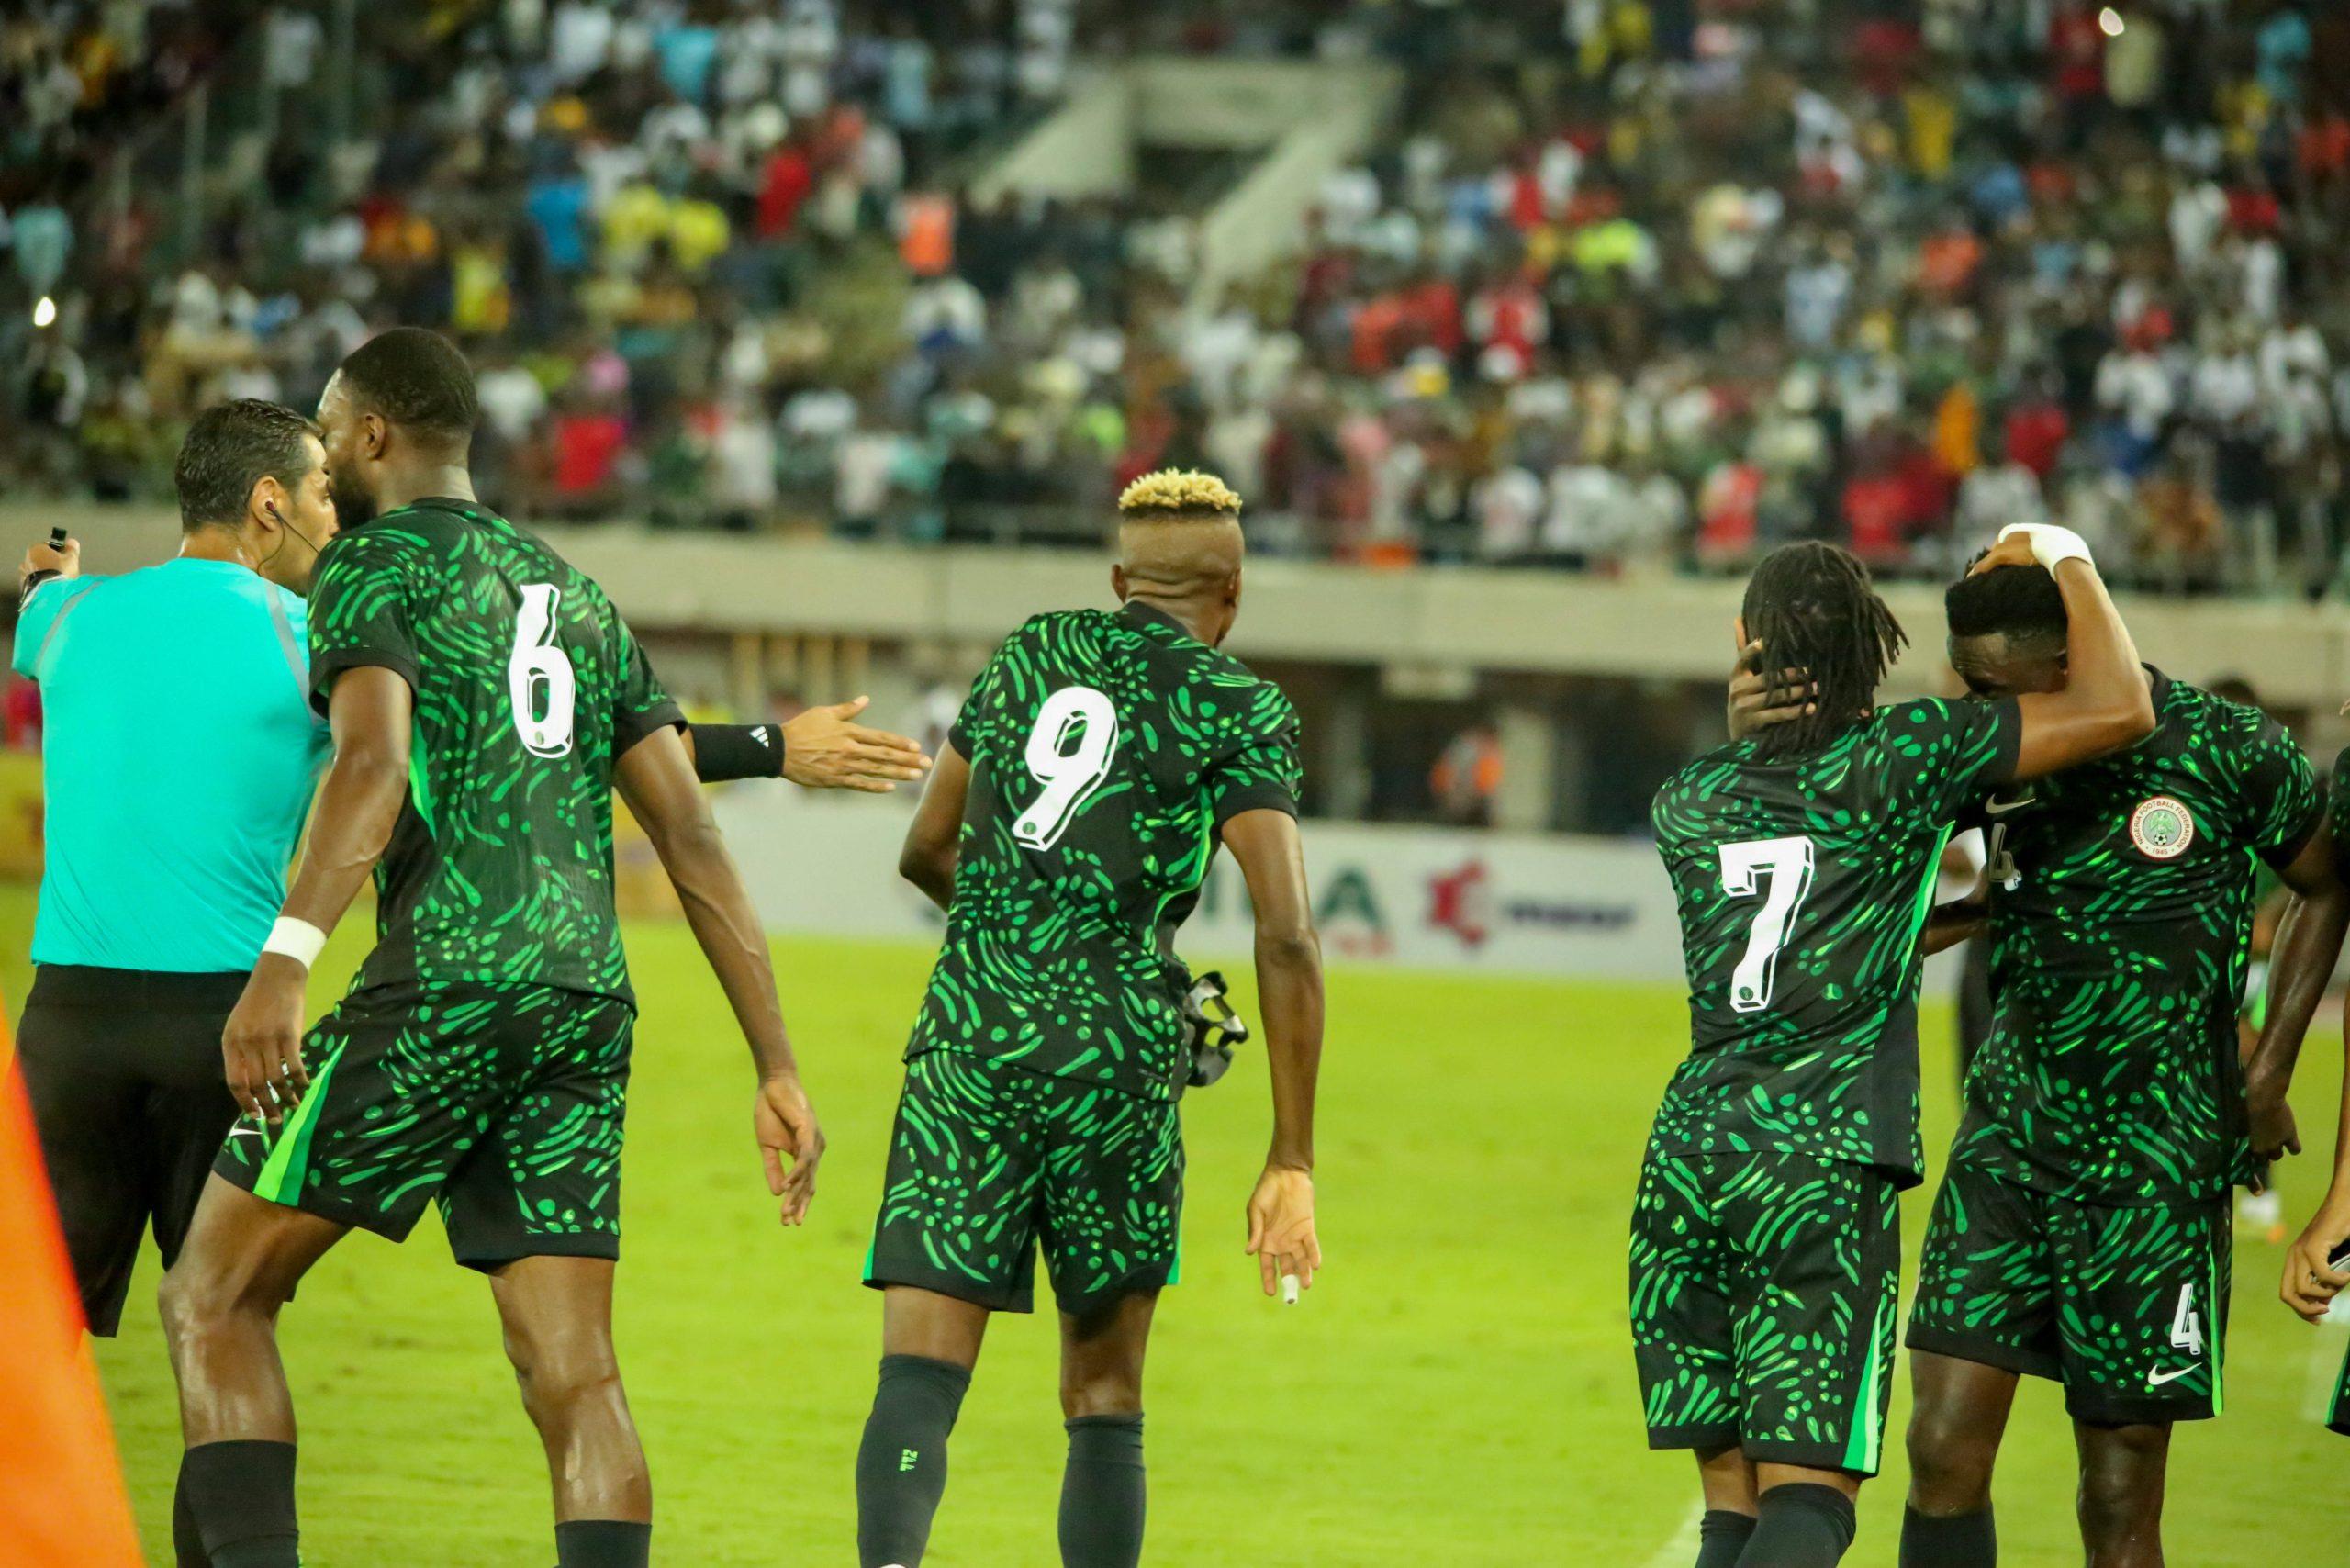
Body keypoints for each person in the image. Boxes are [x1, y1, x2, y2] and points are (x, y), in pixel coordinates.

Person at [151, 329, 837, 1568]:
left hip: (446, 987)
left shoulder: (371, 568)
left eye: (329, 427)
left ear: (369, 437)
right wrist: (776, 1064)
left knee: (213, 1295)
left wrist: (288, 958)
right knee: (573, 1372)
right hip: (585, 1002)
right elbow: (686, 825)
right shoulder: (574, 590)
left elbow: (368, 763)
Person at [1638, 526, 2154, 1568]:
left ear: (1745, 644)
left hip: (1689, 1156)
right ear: (1874, 651)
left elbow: (1820, 919)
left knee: (1729, 1499)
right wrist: (2065, 553)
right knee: (1810, 1499)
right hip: (1816, 1161)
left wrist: (1968, 913)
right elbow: (2118, 706)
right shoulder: (1906, 752)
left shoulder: (1685, 800)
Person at [854, 468, 1325, 1568]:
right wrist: (1289, 1152)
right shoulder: (1239, 707)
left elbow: (926, 848)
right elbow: (1289, 931)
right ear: (1235, 592)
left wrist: (1017, 936)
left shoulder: (1028, 653)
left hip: (971, 1034)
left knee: (919, 1376)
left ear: (1119, 580)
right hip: (1114, 1055)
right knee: (1103, 1393)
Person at [1895, 560, 2346, 1568]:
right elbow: (1928, 890)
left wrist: (2265, 1075)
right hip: (2010, 1138)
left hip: (2156, 1163)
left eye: (1993, 688)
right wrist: (1942, 911)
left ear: (2066, 662)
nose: (1978, 710)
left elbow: (2326, 885)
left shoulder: (2224, 746)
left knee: (2115, 1496)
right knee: (1937, 1446)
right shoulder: (1993, 756)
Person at [9, 400, 338, 1345]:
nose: (333, 515)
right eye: (321, 491)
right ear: (268, 502)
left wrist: (58, 575)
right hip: (231, 1031)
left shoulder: (67, 615)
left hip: (70, 1026)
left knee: (31, 1347)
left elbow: (39, 598)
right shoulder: (310, 639)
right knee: (227, 1333)